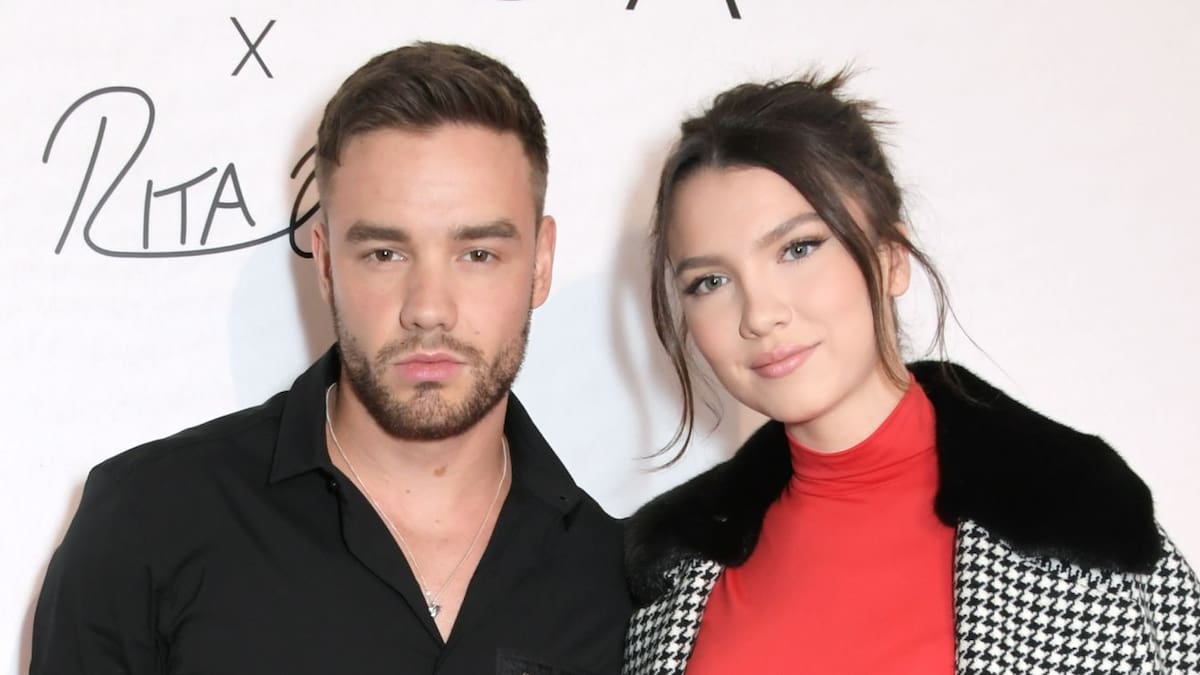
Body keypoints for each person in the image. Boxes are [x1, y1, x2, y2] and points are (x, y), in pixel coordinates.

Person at [32, 42, 631, 674]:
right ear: (324, 264)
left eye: (477, 254)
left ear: (540, 264)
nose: (428, 309)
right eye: (384, 254)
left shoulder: (617, 583)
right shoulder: (146, 522)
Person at [622, 71, 1200, 674]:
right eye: (710, 281)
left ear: (891, 257)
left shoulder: (1083, 527)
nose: (760, 314)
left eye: (798, 248)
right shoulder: (672, 582)